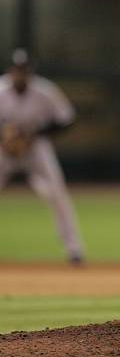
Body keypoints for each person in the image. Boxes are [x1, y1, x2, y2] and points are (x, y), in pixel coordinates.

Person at [0, 49, 84, 264]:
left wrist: (34, 135)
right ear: (11, 71)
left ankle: (74, 249)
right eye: (17, 70)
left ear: (30, 71)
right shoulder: (1, 90)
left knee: (57, 194)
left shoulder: (45, 91)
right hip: (3, 150)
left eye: (24, 70)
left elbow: (66, 120)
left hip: (36, 149)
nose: (20, 74)